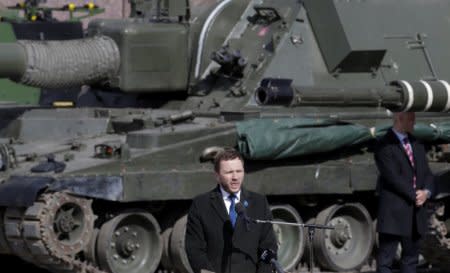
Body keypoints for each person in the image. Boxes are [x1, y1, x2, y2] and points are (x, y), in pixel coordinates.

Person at [185, 149, 277, 273]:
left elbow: (268, 245)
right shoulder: (201, 204)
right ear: (217, 176)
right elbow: (194, 249)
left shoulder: (259, 203)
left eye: (239, 171)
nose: (235, 177)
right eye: (229, 172)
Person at [374, 112, 434, 273]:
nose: (414, 121)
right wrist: (415, 194)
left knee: (411, 260)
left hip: (415, 214)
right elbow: (393, 177)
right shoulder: (384, 145)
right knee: (386, 261)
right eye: (411, 118)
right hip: (394, 213)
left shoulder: (417, 144)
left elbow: (427, 173)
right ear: (399, 119)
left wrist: (426, 192)